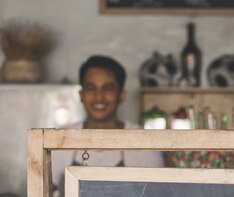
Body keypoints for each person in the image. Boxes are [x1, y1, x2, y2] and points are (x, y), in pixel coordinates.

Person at [51, 55, 163, 187]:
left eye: (108, 88)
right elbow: (47, 196)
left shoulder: (143, 142)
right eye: (91, 88)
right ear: (81, 95)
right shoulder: (61, 140)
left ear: (121, 95)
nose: (99, 97)